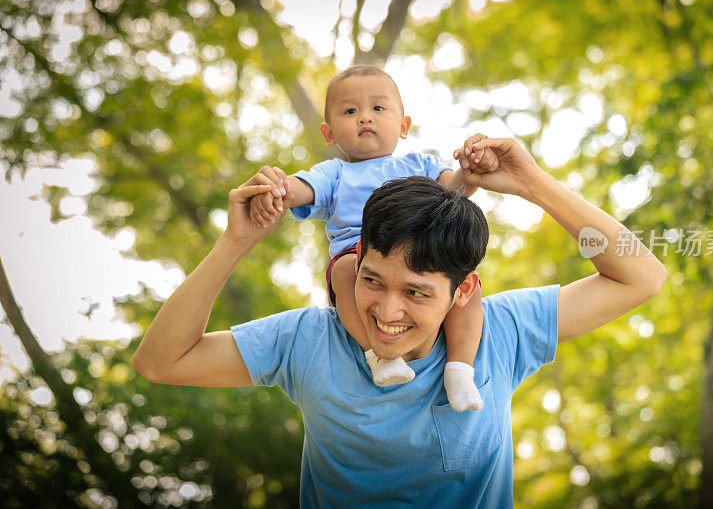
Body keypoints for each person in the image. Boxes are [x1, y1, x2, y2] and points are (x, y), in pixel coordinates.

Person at [133, 136, 667, 506]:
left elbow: (640, 276)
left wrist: (532, 183)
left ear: (463, 291)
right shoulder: (309, 341)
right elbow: (161, 361)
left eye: (415, 293)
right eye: (371, 281)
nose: (387, 314)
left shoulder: (498, 334)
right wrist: (235, 242)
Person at [246, 65, 496, 411]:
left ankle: (460, 368)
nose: (365, 118)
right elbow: (302, 189)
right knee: (344, 270)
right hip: (360, 257)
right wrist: (277, 187)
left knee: (466, 288)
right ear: (328, 132)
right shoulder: (334, 173)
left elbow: (456, 191)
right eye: (350, 111)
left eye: (378, 108)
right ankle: (379, 356)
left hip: (422, 254)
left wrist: (471, 171)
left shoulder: (419, 164)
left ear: (404, 125)